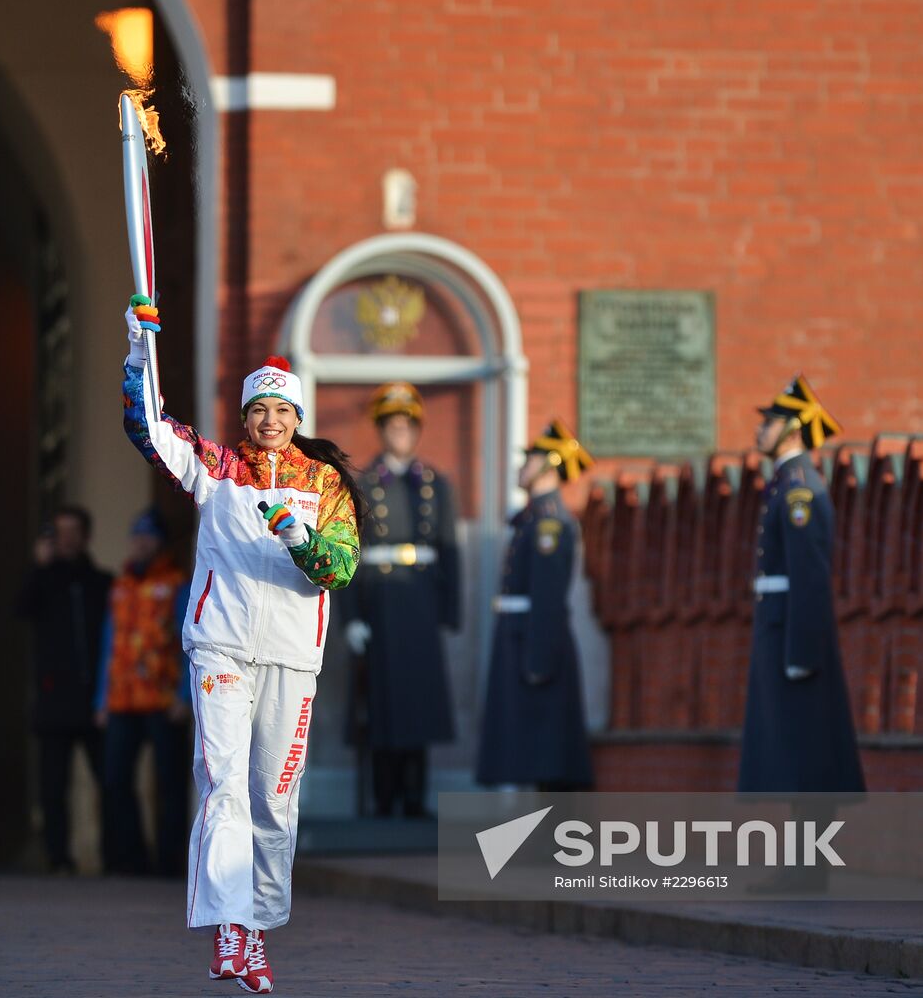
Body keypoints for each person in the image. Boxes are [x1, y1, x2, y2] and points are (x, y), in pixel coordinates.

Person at [122, 296, 360, 993]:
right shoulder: (216, 465)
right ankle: (229, 929)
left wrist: (299, 537)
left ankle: (256, 929)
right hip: (221, 648)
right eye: (260, 409)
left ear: (298, 420)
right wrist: (139, 353)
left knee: (273, 801)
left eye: (283, 412)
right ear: (247, 415)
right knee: (222, 785)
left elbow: (339, 568)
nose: (271, 421)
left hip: (292, 658)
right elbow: (148, 428)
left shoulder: (326, 485)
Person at [738, 375, 865, 892]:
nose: (760, 429)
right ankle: (803, 866)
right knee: (794, 749)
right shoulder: (786, 485)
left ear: (792, 430)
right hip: (781, 626)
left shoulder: (800, 490)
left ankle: (810, 869)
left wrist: (802, 649)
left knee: (807, 752)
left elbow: (811, 575)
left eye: (769, 422)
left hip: (795, 631)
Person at [344, 382, 460, 818]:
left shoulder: (434, 484)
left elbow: (449, 549)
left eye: (407, 426)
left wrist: (449, 610)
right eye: (392, 426)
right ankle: (384, 798)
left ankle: (415, 797)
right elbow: (349, 552)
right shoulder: (365, 484)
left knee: (420, 704)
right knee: (382, 706)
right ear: (381, 431)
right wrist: (351, 617)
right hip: (381, 603)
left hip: (421, 602)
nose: (400, 433)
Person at [476, 419, 594, 791]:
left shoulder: (549, 524)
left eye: (530, 459)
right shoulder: (532, 517)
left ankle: (554, 838)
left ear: (549, 466)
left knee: (546, 748)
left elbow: (547, 599)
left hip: (534, 641)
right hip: (519, 638)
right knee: (529, 745)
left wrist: (538, 659)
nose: (521, 466)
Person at [16, 504, 112, 874]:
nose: (68, 540)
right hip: (54, 699)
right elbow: (20, 608)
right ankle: (59, 859)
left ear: (86, 536)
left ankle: (112, 856)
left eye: (74, 531)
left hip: (94, 702)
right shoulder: (42, 580)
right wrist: (39, 567)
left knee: (109, 783)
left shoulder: (102, 582)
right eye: (61, 532)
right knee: (53, 787)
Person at [95, 507, 191, 876]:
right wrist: (101, 700)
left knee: (169, 784)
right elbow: (109, 643)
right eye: (136, 536)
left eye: (148, 536)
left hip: (164, 700)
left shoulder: (177, 583)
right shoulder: (121, 585)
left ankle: (168, 863)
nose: (140, 542)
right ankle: (132, 860)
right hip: (121, 698)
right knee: (116, 780)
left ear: (160, 542)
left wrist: (185, 696)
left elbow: (188, 641)